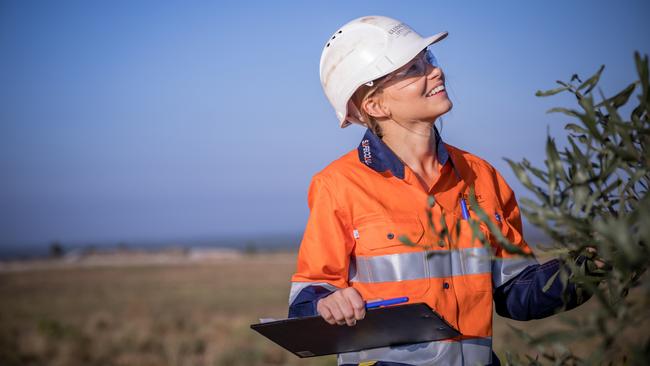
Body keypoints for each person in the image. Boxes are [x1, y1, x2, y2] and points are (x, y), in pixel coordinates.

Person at [287, 15, 598, 366]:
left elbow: (518, 294)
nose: (434, 71)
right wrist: (325, 303)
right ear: (375, 105)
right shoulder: (339, 185)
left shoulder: (483, 177)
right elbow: (307, 297)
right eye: (412, 69)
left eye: (428, 60)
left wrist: (595, 265)